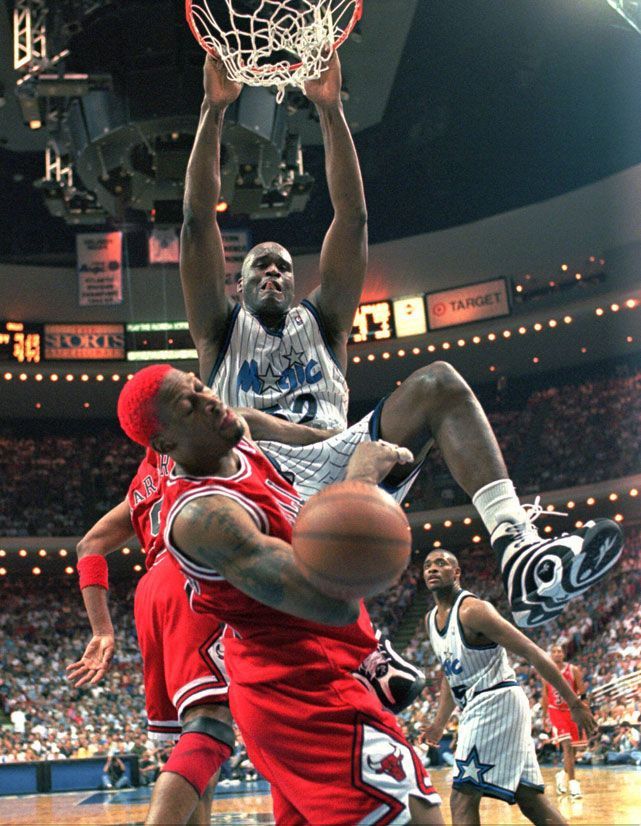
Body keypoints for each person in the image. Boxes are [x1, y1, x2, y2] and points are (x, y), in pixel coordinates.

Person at [180, 52, 623, 631]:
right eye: (261, 265)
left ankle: (518, 551)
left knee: (440, 383)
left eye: (284, 268)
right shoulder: (219, 330)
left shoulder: (325, 322)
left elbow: (353, 219)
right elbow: (195, 221)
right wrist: (213, 112)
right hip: (257, 476)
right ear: (237, 283)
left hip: (342, 461)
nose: (273, 273)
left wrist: (331, 110)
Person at [116, 363, 444, 825]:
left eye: (200, 386)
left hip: (308, 674)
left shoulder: (238, 435)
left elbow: (313, 437)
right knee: (419, 815)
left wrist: (357, 438)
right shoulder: (203, 515)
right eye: (188, 407)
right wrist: (359, 486)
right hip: (299, 689)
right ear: (165, 446)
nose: (209, 400)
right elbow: (334, 604)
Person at [68, 407, 341, 825]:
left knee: (194, 742)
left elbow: (89, 547)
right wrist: (325, 436)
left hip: (151, 596)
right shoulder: (202, 443)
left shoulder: (139, 485)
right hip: (192, 576)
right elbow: (267, 425)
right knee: (212, 727)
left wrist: (103, 630)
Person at [421, 549, 597, 826]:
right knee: (528, 797)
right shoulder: (430, 620)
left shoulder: (473, 610)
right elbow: (449, 673)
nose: (432, 568)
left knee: (463, 796)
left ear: (456, 573)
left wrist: (574, 702)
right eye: (428, 565)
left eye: (441, 563)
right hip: (480, 704)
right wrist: (439, 723)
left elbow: (532, 651)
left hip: (496, 700)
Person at [540, 644, 588, 798]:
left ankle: (561, 775)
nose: (557, 654)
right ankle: (574, 785)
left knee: (573, 751)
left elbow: (582, 692)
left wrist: (584, 710)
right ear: (551, 655)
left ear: (563, 654)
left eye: (559, 651)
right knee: (567, 745)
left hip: (572, 711)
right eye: (553, 651)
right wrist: (544, 716)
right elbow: (545, 696)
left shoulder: (573, 670)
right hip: (556, 712)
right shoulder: (546, 672)